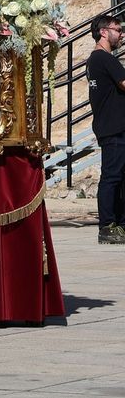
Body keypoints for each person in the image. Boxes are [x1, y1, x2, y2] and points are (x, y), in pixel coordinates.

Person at [87, 13, 125, 245]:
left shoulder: (97, 60)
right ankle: (107, 226)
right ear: (103, 32)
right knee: (112, 177)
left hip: (114, 126)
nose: (121, 34)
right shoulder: (104, 58)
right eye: (117, 29)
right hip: (113, 128)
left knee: (120, 177)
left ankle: (119, 224)